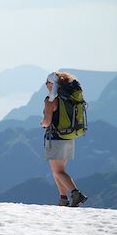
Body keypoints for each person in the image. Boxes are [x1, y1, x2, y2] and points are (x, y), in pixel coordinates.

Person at [41, 71, 88, 207]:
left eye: (47, 82)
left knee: (58, 171)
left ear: (52, 84)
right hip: (69, 136)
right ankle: (63, 199)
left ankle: (76, 194)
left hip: (56, 138)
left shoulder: (51, 99)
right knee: (59, 170)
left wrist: (43, 123)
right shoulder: (67, 98)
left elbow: (46, 122)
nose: (46, 85)